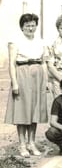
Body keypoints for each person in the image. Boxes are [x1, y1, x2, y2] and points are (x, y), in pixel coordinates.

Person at [5, 13, 48, 158]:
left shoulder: (41, 41)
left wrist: (45, 81)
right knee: (22, 112)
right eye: (27, 25)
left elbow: (43, 62)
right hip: (22, 75)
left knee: (34, 111)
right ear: (22, 27)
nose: (30, 28)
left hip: (38, 76)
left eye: (33, 25)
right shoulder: (15, 41)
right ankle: (22, 145)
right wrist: (15, 83)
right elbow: (11, 63)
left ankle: (32, 143)